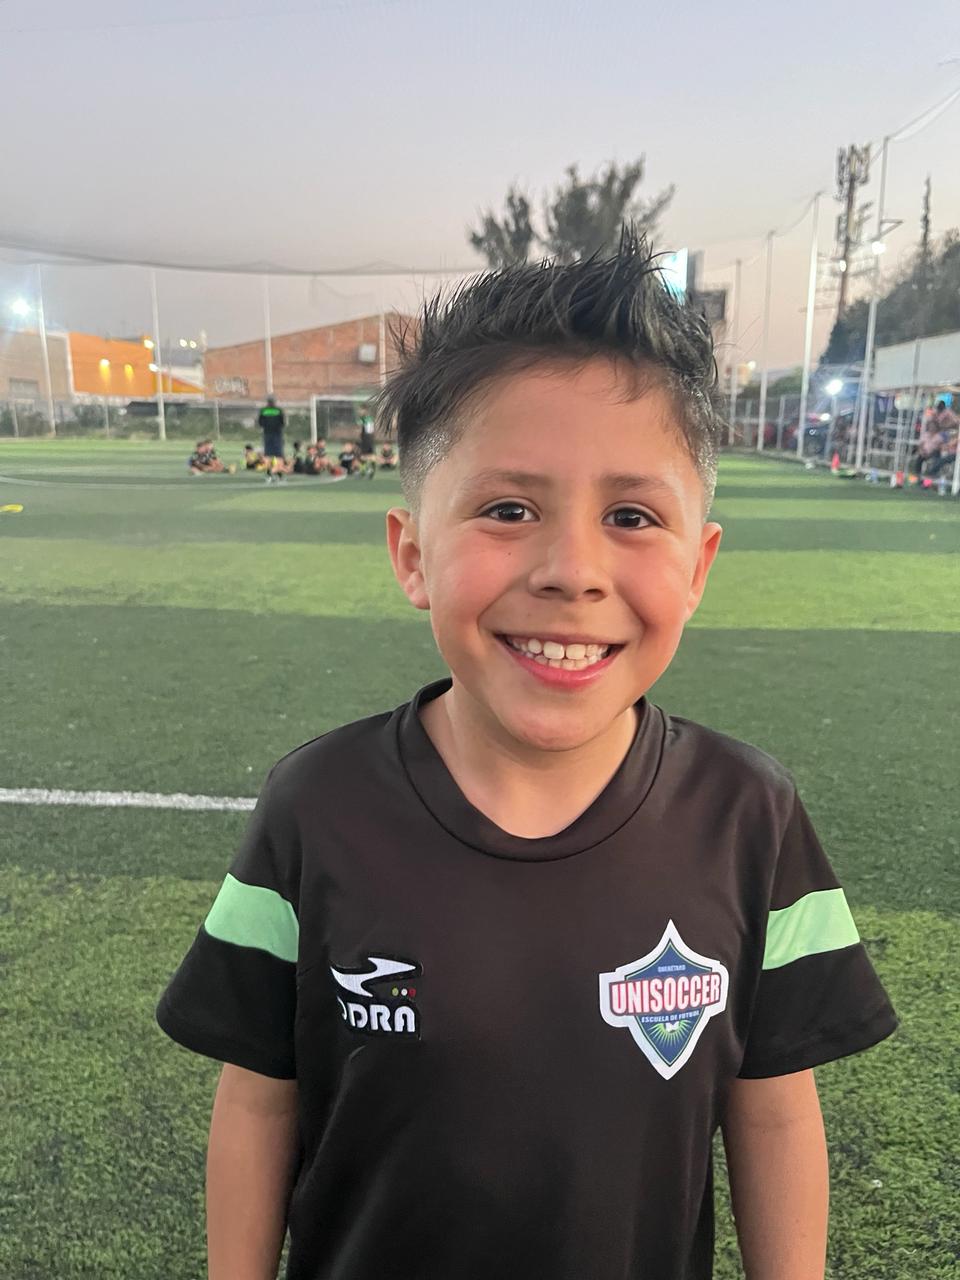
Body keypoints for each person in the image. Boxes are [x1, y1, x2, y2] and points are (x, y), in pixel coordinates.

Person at [157, 230, 897, 1280]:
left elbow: (773, 1112)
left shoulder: (750, 816)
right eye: (509, 510)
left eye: (632, 515)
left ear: (698, 567)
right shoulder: (315, 805)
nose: (572, 569)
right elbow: (259, 1098)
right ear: (413, 553)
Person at [258, 394, 286, 482]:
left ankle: (269, 475)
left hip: (267, 434)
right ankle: (279, 475)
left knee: (267, 455)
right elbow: (282, 423)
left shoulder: (263, 411)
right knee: (279, 456)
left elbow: (260, 423)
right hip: (277, 435)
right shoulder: (278, 410)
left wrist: (267, 427)